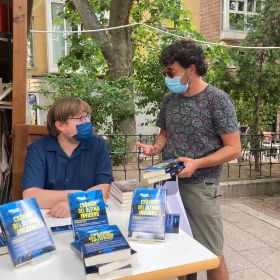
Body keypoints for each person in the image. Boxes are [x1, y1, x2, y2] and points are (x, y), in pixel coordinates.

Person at [136, 39, 241, 280]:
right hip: (168, 185)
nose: (167, 76)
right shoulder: (169, 99)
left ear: (190, 68)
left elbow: (234, 149)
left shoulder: (218, 100)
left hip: (201, 187)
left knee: (212, 255)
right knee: (179, 251)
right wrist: (155, 148)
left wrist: (197, 164)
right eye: (165, 71)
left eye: (171, 71)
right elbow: (164, 133)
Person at [22, 96, 113, 218]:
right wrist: (75, 197)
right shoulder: (38, 149)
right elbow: (30, 195)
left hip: (89, 216)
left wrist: (77, 203)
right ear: (60, 126)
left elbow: (105, 187)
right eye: (81, 118)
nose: (87, 122)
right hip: (50, 217)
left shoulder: (97, 144)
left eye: (87, 116)